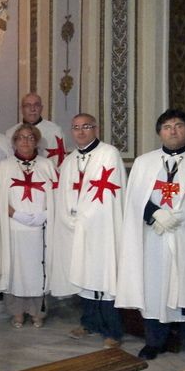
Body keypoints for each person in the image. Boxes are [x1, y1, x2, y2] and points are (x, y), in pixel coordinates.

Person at [116, 109, 185, 366]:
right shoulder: (144, 162)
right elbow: (135, 199)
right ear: (159, 132)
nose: (172, 130)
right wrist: (155, 215)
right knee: (155, 289)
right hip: (154, 237)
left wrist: (175, 217)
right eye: (166, 126)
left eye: (178, 125)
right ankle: (154, 341)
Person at [50, 113, 127, 348]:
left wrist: (84, 218)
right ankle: (89, 322)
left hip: (101, 227)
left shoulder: (108, 154)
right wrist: (68, 219)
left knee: (103, 276)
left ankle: (112, 331)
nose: (80, 132)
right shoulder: (70, 160)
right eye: (75, 127)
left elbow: (107, 193)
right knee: (85, 275)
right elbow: (62, 194)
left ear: (96, 128)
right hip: (77, 228)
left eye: (86, 127)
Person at [0, 123, 57, 327]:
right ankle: (16, 312)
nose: (26, 141)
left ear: (36, 141)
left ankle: (37, 312)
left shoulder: (47, 166)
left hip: (40, 229)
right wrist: (17, 214)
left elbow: (57, 197)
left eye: (30, 137)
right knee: (15, 271)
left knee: (37, 272)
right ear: (14, 141)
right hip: (13, 228)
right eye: (21, 137)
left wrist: (43, 215)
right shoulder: (4, 167)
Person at [6, 93, 67, 167]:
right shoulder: (10, 133)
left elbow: (60, 163)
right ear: (22, 109)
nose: (32, 109)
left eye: (36, 105)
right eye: (28, 105)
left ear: (41, 108)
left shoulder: (55, 131)